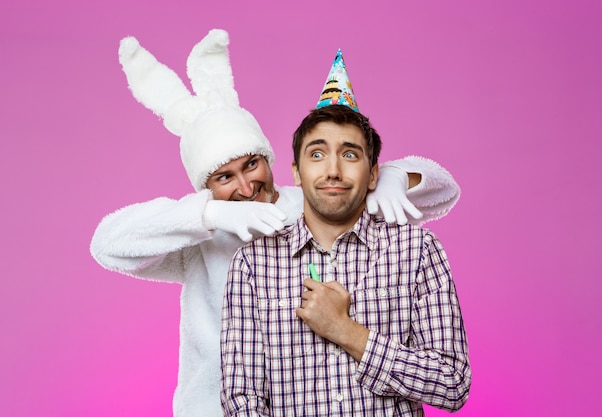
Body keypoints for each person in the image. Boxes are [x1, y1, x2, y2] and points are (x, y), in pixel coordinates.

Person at [91, 30, 462, 417]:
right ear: (206, 186)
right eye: (224, 177)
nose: (247, 185)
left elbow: (442, 192)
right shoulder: (199, 237)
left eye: (251, 164)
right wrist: (210, 214)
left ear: (275, 162)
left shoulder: (309, 201)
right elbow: (109, 244)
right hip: (212, 406)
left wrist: (398, 175)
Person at [219, 103, 471, 415]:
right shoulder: (253, 265)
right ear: (296, 172)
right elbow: (242, 401)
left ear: (373, 174)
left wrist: (344, 329)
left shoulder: (416, 250)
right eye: (316, 154)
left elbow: (453, 383)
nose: (333, 170)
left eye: (350, 154)